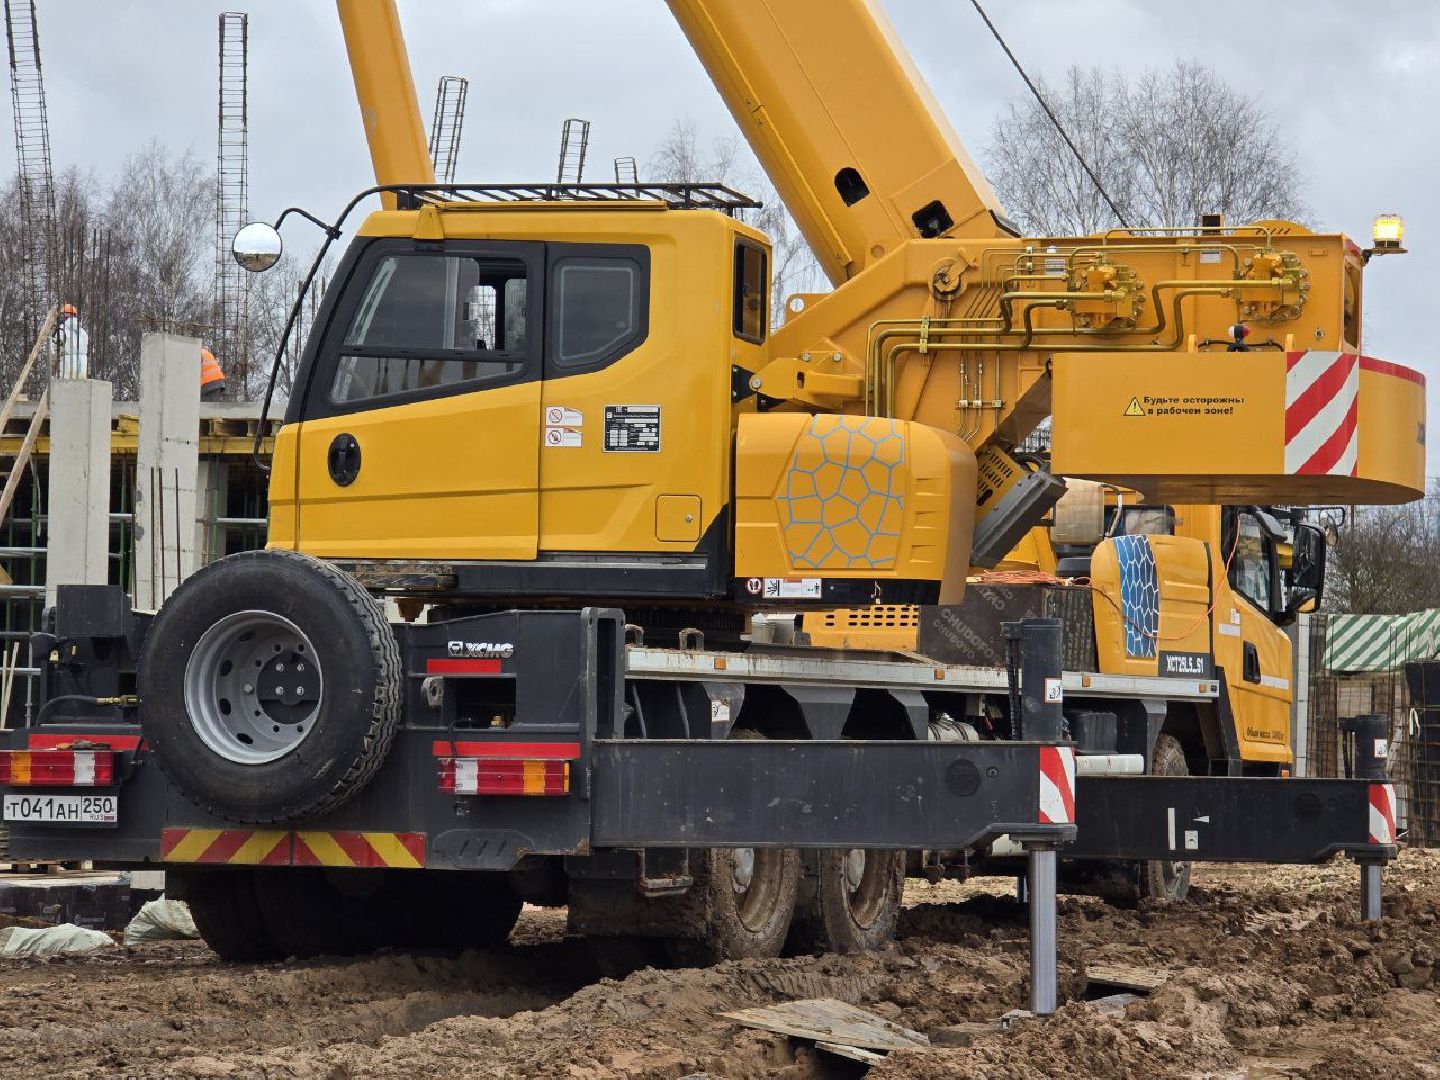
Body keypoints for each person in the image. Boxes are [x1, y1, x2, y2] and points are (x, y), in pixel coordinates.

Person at [55, 304, 88, 380]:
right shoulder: (83, 331)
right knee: (80, 387)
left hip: (68, 362)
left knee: (64, 386)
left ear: (66, 315)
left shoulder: (61, 329)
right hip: (82, 364)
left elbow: (55, 347)